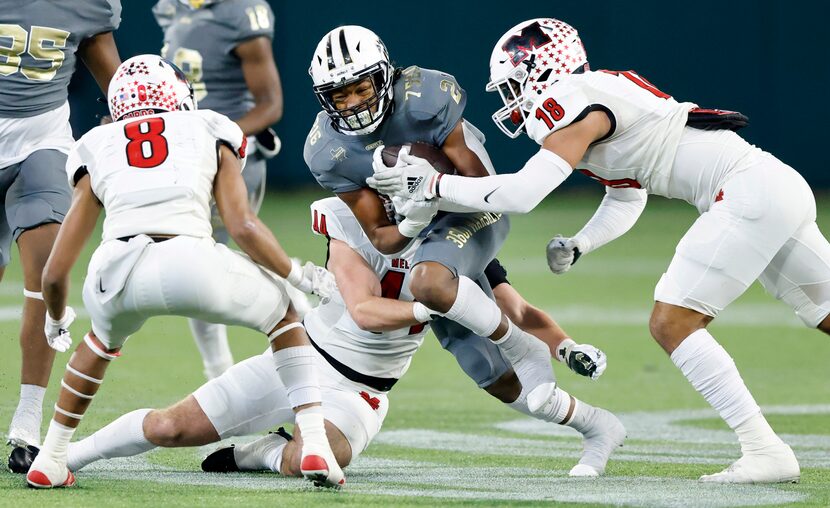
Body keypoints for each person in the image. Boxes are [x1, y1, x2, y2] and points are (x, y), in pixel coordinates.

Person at [369, 17, 830, 484]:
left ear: (543, 68)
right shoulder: (596, 95)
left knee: (672, 323)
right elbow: (629, 193)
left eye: (513, 86)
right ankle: (764, 450)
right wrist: (582, 242)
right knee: (825, 312)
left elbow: (524, 194)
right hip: (774, 185)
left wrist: (434, 184)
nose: (513, 100)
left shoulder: (569, 99)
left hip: (746, 193)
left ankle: (763, 449)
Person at [10, 197, 622, 479]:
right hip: (298, 359)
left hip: (361, 394)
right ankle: (63, 457)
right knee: (171, 428)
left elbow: (517, 307)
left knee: (325, 453)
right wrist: (438, 306)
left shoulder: (453, 251)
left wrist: (563, 346)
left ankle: (256, 454)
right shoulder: (353, 223)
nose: (400, 206)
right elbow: (362, 311)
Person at [306, 25, 625, 477]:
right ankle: (597, 426)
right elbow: (381, 235)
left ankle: (526, 351)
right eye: (340, 95)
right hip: (423, 239)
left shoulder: (426, 96)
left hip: (472, 211)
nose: (354, 102)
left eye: (362, 88)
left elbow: (478, 186)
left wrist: (429, 190)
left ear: (385, 76)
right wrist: (413, 218)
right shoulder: (328, 152)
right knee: (488, 370)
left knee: (430, 282)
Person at [24, 55, 343, 490]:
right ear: (178, 94)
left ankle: (52, 456)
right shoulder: (209, 126)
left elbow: (56, 271)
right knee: (286, 313)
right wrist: (299, 275)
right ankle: (316, 445)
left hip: (114, 272)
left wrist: (56, 317)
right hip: (189, 260)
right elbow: (242, 225)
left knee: (98, 342)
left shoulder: (95, 143)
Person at [0, 0, 122, 453]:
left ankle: (28, 420)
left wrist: (130, 116)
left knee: (46, 271)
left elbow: (120, 88)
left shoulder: (86, 5)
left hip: (41, 142)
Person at [152, 0, 288, 380]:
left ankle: (305, 324)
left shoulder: (241, 12)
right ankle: (219, 375)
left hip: (229, 158)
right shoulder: (170, 7)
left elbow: (270, 105)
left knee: (221, 253)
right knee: (194, 259)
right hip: (185, 158)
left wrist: (214, 139)